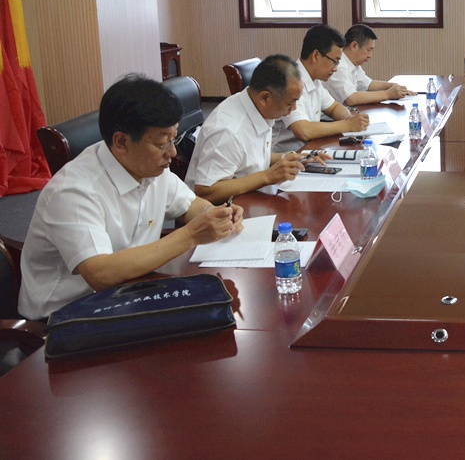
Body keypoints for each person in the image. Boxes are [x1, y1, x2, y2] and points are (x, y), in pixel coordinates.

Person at [18, 74, 245, 320]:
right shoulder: (73, 191)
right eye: (162, 143)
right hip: (68, 318)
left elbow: (190, 204)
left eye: (174, 138)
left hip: (130, 295)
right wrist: (191, 235)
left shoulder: (148, 167)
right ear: (121, 142)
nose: (172, 152)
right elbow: (100, 274)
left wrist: (215, 215)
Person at [186, 54, 316, 203]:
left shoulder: (258, 108)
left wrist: (291, 159)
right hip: (225, 211)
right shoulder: (227, 131)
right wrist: (267, 176)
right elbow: (205, 192)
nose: (294, 108)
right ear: (265, 98)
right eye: (290, 103)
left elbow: (250, 159)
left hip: (253, 200)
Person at [273, 25, 370, 153]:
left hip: (307, 151)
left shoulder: (315, 81)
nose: (335, 68)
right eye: (334, 61)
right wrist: (347, 125)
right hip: (283, 158)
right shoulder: (291, 82)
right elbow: (303, 131)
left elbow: (334, 107)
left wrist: (349, 119)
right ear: (316, 56)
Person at [325, 24, 415, 106]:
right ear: (354, 46)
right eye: (368, 50)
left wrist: (393, 87)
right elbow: (351, 98)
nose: (370, 56)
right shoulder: (339, 66)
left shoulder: (354, 65)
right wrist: (388, 94)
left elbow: (369, 84)